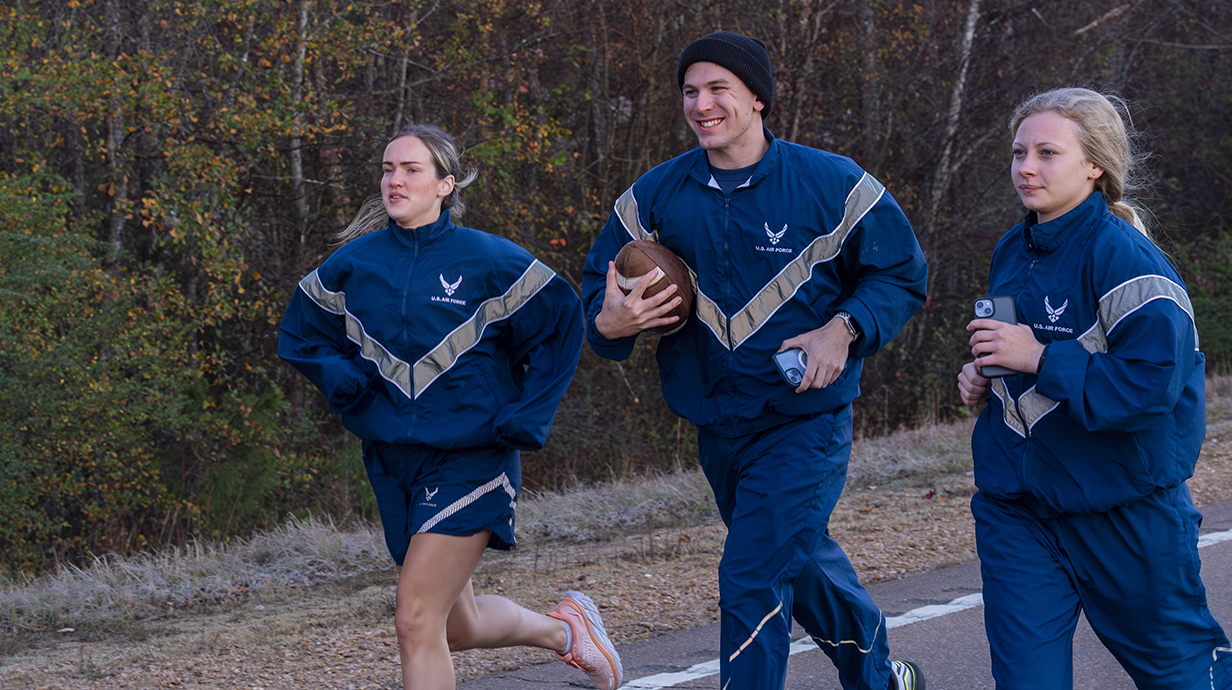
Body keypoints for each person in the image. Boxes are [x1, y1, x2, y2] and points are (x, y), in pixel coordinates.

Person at [582, 31, 929, 690]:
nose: (702, 103)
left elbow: (901, 275)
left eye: (719, 89)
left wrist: (844, 328)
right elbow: (594, 306)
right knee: (796, 565)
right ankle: (883, 679)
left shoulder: (833, 184)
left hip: (805, 421)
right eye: (691, 91)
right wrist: (610, 322)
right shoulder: (654, 199)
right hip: (719, 423)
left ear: (758, 98)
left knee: (751, 574)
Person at [278, 124, 623, 690]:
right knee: (452, 628)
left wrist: (526, 415)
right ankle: (568, 631)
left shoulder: (491, 261)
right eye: (388, 169)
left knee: (415, 619)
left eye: (411, 169)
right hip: (393, 461)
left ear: (446, 183)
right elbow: (301, 335)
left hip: (471, 458)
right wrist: (342, 378)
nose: (395, 180)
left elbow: (564, 325)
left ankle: (569, 630)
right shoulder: (352, 265)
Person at [958, 87, 1232, 690]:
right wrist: (984, 373)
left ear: (1094, 164)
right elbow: (1011, 352)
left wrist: (1037, 356)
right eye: (1019, 151)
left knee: (1182, 675)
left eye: (1047, 152)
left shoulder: (1130, 261)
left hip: (1124, 513)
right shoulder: (1012, 246)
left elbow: (1151, 389)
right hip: (1018, 513)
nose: (1026, 167)